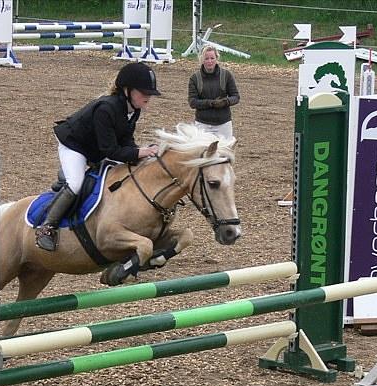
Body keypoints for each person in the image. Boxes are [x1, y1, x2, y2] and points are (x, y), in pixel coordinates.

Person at [35, 62, 161, 251]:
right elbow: (110, 150)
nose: (148, 97)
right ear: (127, 90)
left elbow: (125, 140)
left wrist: (140, 153)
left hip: (95, 147)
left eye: (149, 93)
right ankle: (47, 226)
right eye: (144, 92)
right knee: (76, 183)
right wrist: (139, 152)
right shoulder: (106, 108)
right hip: (74, 145)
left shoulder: (132, 110)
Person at [187, 45, 240, 140]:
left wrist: (225, 102)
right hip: (202, 124)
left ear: (217, 58)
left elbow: (236, 97)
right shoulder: (194, 78)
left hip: (224, 123)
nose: (210, 61)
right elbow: (192, 102)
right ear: (201, 60)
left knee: (225, 153)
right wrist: (210, 103)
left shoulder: (226, 75)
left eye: (212, 58)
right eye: (206, 58)